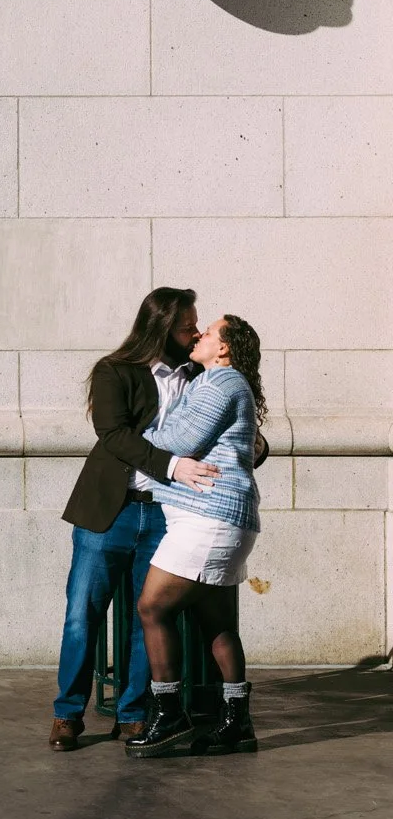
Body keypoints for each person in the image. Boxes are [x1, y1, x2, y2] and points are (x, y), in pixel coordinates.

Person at [48, 287, 219, 751]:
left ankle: (134, 715)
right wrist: (171, 465)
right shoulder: (114, 371)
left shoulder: (200, 376)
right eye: (187, 325)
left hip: (168, 516)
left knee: (152, 616)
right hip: (111, 512)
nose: (195, 332)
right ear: (162, 325)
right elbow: (113, 435)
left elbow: (225, 426)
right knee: (82, 615)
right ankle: (67, 715)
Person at [127, 314, 265, 759]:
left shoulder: (220, 384)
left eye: (208, 333)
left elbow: (176, 439)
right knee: (218, 623)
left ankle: (169, 717)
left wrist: (143, 434)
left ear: (223, 348)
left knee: (151, 607)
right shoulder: (222, 383)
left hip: (208, 519)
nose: (200, 335)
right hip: (220, 517)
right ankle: (236, 723)